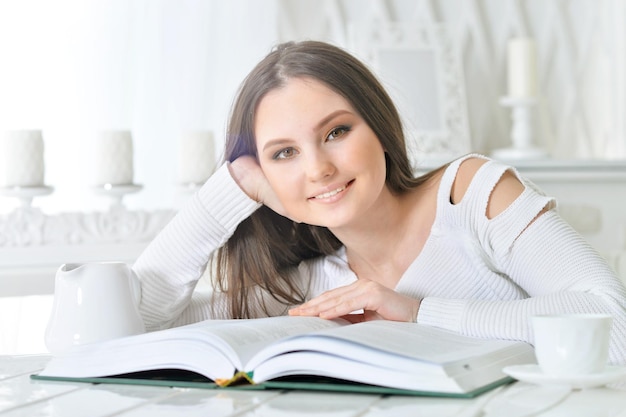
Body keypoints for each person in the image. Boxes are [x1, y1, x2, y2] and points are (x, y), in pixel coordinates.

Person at [133, 40, 626, 364]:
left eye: (337, 131)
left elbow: (615, 323)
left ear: (379, 127)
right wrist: (229, 188)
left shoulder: (470, 194)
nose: (318, 169)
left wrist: (417, 312)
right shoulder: (316, 285)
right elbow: (138, 325)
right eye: (283, 154)